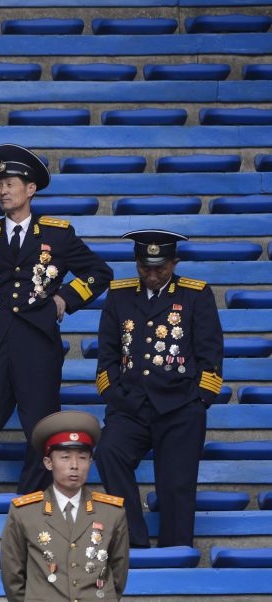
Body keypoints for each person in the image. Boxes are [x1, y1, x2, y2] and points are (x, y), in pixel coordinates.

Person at [0, 144, 112, 495]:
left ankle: (32, 503)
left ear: (30, 189)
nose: (3, 190)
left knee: (42, 429)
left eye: (10, 183)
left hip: (38, 345)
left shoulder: (57, 235)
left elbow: (99, 272)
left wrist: (65, 297)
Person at [93, 229, 224, 548]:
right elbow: (107, 355)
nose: (152, 275)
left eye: (159, 268)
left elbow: (211, 355)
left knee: (177, 485)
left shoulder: (196, 295)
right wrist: (115, 397)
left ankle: (175, 552)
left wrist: (198, 401)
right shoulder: (120, 295)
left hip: (180, 407)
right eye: (145, 268)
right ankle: (134, 540)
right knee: (108, 452)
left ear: (174, 263)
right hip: (131, 407)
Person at [0, 410, 129, 602]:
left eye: (83, 457)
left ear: (90, 461)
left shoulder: (111, 512)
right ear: (48, 462)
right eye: (65, 457)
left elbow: (118, 575)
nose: (75, 465)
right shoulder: (24, 513)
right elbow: (13, 577)